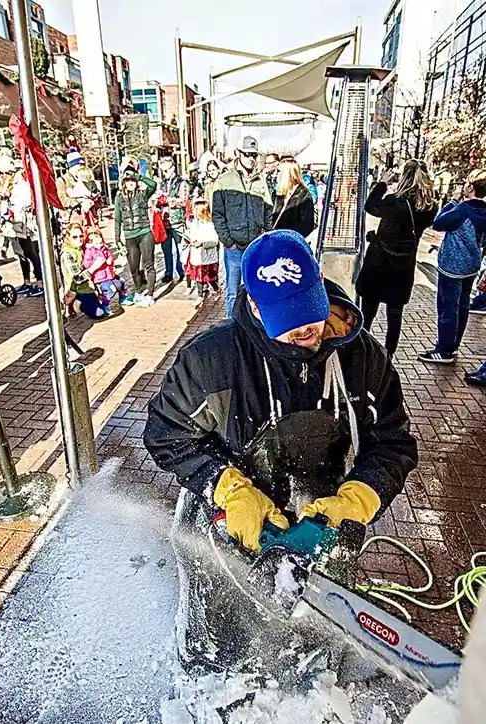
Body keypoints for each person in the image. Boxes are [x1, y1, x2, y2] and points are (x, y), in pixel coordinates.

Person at [143, 229, 417, 668]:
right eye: (289, 326)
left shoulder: (363, 358)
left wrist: (357, 499)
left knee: (312, 645)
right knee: (219, 645)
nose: (308, 334)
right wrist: (227, 488)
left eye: (311, 316)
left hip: (322, 512)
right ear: (254, 305)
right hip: (232, 513)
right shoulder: (210, 360)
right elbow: (165, 432)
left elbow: (393, 442)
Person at [356, 160, 438, 358]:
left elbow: (371, 206)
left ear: (404, 177)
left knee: (368, 310)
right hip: (404, 266)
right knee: (395, 314)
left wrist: (382, 183)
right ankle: (389, 354)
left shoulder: (395, 202)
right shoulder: (430, 207)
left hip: (379, 264)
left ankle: (362, 350)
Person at [419, 168, 486, 364]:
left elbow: (438, 223)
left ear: (470, 187)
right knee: (462, 305)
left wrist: (454, 201)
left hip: (452, 267)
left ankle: (444, 350)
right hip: (471, 266)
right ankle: (454, 345)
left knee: (447, 307)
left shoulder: (462, 210)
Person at [212, 135, 273, 317]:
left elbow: (268, 209)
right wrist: (227, 240)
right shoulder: (224, 180)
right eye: (247, 154)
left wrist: (266, 234)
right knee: (232, 292)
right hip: (234, 248)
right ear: (238, 154)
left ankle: (252, 325)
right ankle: (231, 326)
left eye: (254, 155)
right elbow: (217, 213)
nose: (251, 159)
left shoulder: (261, 181)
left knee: (254, 290)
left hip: (255, 246)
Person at [113, 162, 157, 307]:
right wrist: (117, 239)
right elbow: (117, 219)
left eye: (133, 181)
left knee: (149, 264)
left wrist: (136, 175)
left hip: (145, 233)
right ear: (124, 183)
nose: (130, 183)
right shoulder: (119, 198)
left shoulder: (143, 194)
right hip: (129, 236)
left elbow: (153, 184)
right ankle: (138, 291)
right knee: (133, 267)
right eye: (128, 181)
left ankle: (150, 294)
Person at [9, 167, 44, 297]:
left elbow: (29, 203)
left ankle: (40, 282)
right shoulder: (11, 187)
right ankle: (27, 282)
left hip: (27, 226)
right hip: (15, 226)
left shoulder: (24, 186)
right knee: (22, 254)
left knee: (32, 254)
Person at [59, 224, 105, 319]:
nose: (79, 239)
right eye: (74, 237)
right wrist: (94, 267)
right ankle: (75, 303)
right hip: (75, 289)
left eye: (81, 236)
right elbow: (77, 278)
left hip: (87, 287)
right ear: (68, 238)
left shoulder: (83, 249)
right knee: (98, 313)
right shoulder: (67, 253)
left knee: (102, 309)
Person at [82, 226, 129, 313]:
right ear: (90, 241)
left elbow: (110, 256)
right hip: (100, 277)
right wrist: (96, 263)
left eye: (99, 237)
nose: (98, 240)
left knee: (121, 282)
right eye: (96, 238)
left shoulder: (104, 248)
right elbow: (86, 264)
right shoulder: (90, 251)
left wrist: (110, 260)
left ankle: (123, 298)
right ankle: (105, 305)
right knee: (110, 290)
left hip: (109, 274)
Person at [157, 157, 188, 284]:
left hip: (177, 220)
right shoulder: (161, 183)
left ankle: (181, 271)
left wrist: (169, 200)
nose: (165, 173)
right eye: (163, 170)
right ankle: (168, 272)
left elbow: (184, 200)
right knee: (166, 249)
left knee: (180, 248)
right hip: (164, 221)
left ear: (173, 168)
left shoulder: (181, 182)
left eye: (167, 170)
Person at [184, 199, 219, 305]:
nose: (193, 211)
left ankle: (216, 290)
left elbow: (214, 241)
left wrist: (202, 243)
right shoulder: (194, 223)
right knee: (198, 276)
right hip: (196, 254)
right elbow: (191, 234)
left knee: (210, 277)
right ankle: (199, 296)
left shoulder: (210, 225)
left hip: (207, 256)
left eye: (195, 209)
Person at [272, 157, 316, 238]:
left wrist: (289, 237)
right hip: (275, 241)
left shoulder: (303, 195)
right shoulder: (277, 194)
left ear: (287, 174)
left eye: (278, 171)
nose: (275, 175)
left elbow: (307, 225)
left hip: (292, 243)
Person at [56, 149, 99, 225]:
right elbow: (61, 200)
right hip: (74, 219)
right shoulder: (62, 181)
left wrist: (93, 202)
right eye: (80, 165)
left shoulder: (86, 177)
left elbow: (98, 198)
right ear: (72, 165)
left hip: (90, 217)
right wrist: (80, 202)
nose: (82, 167)